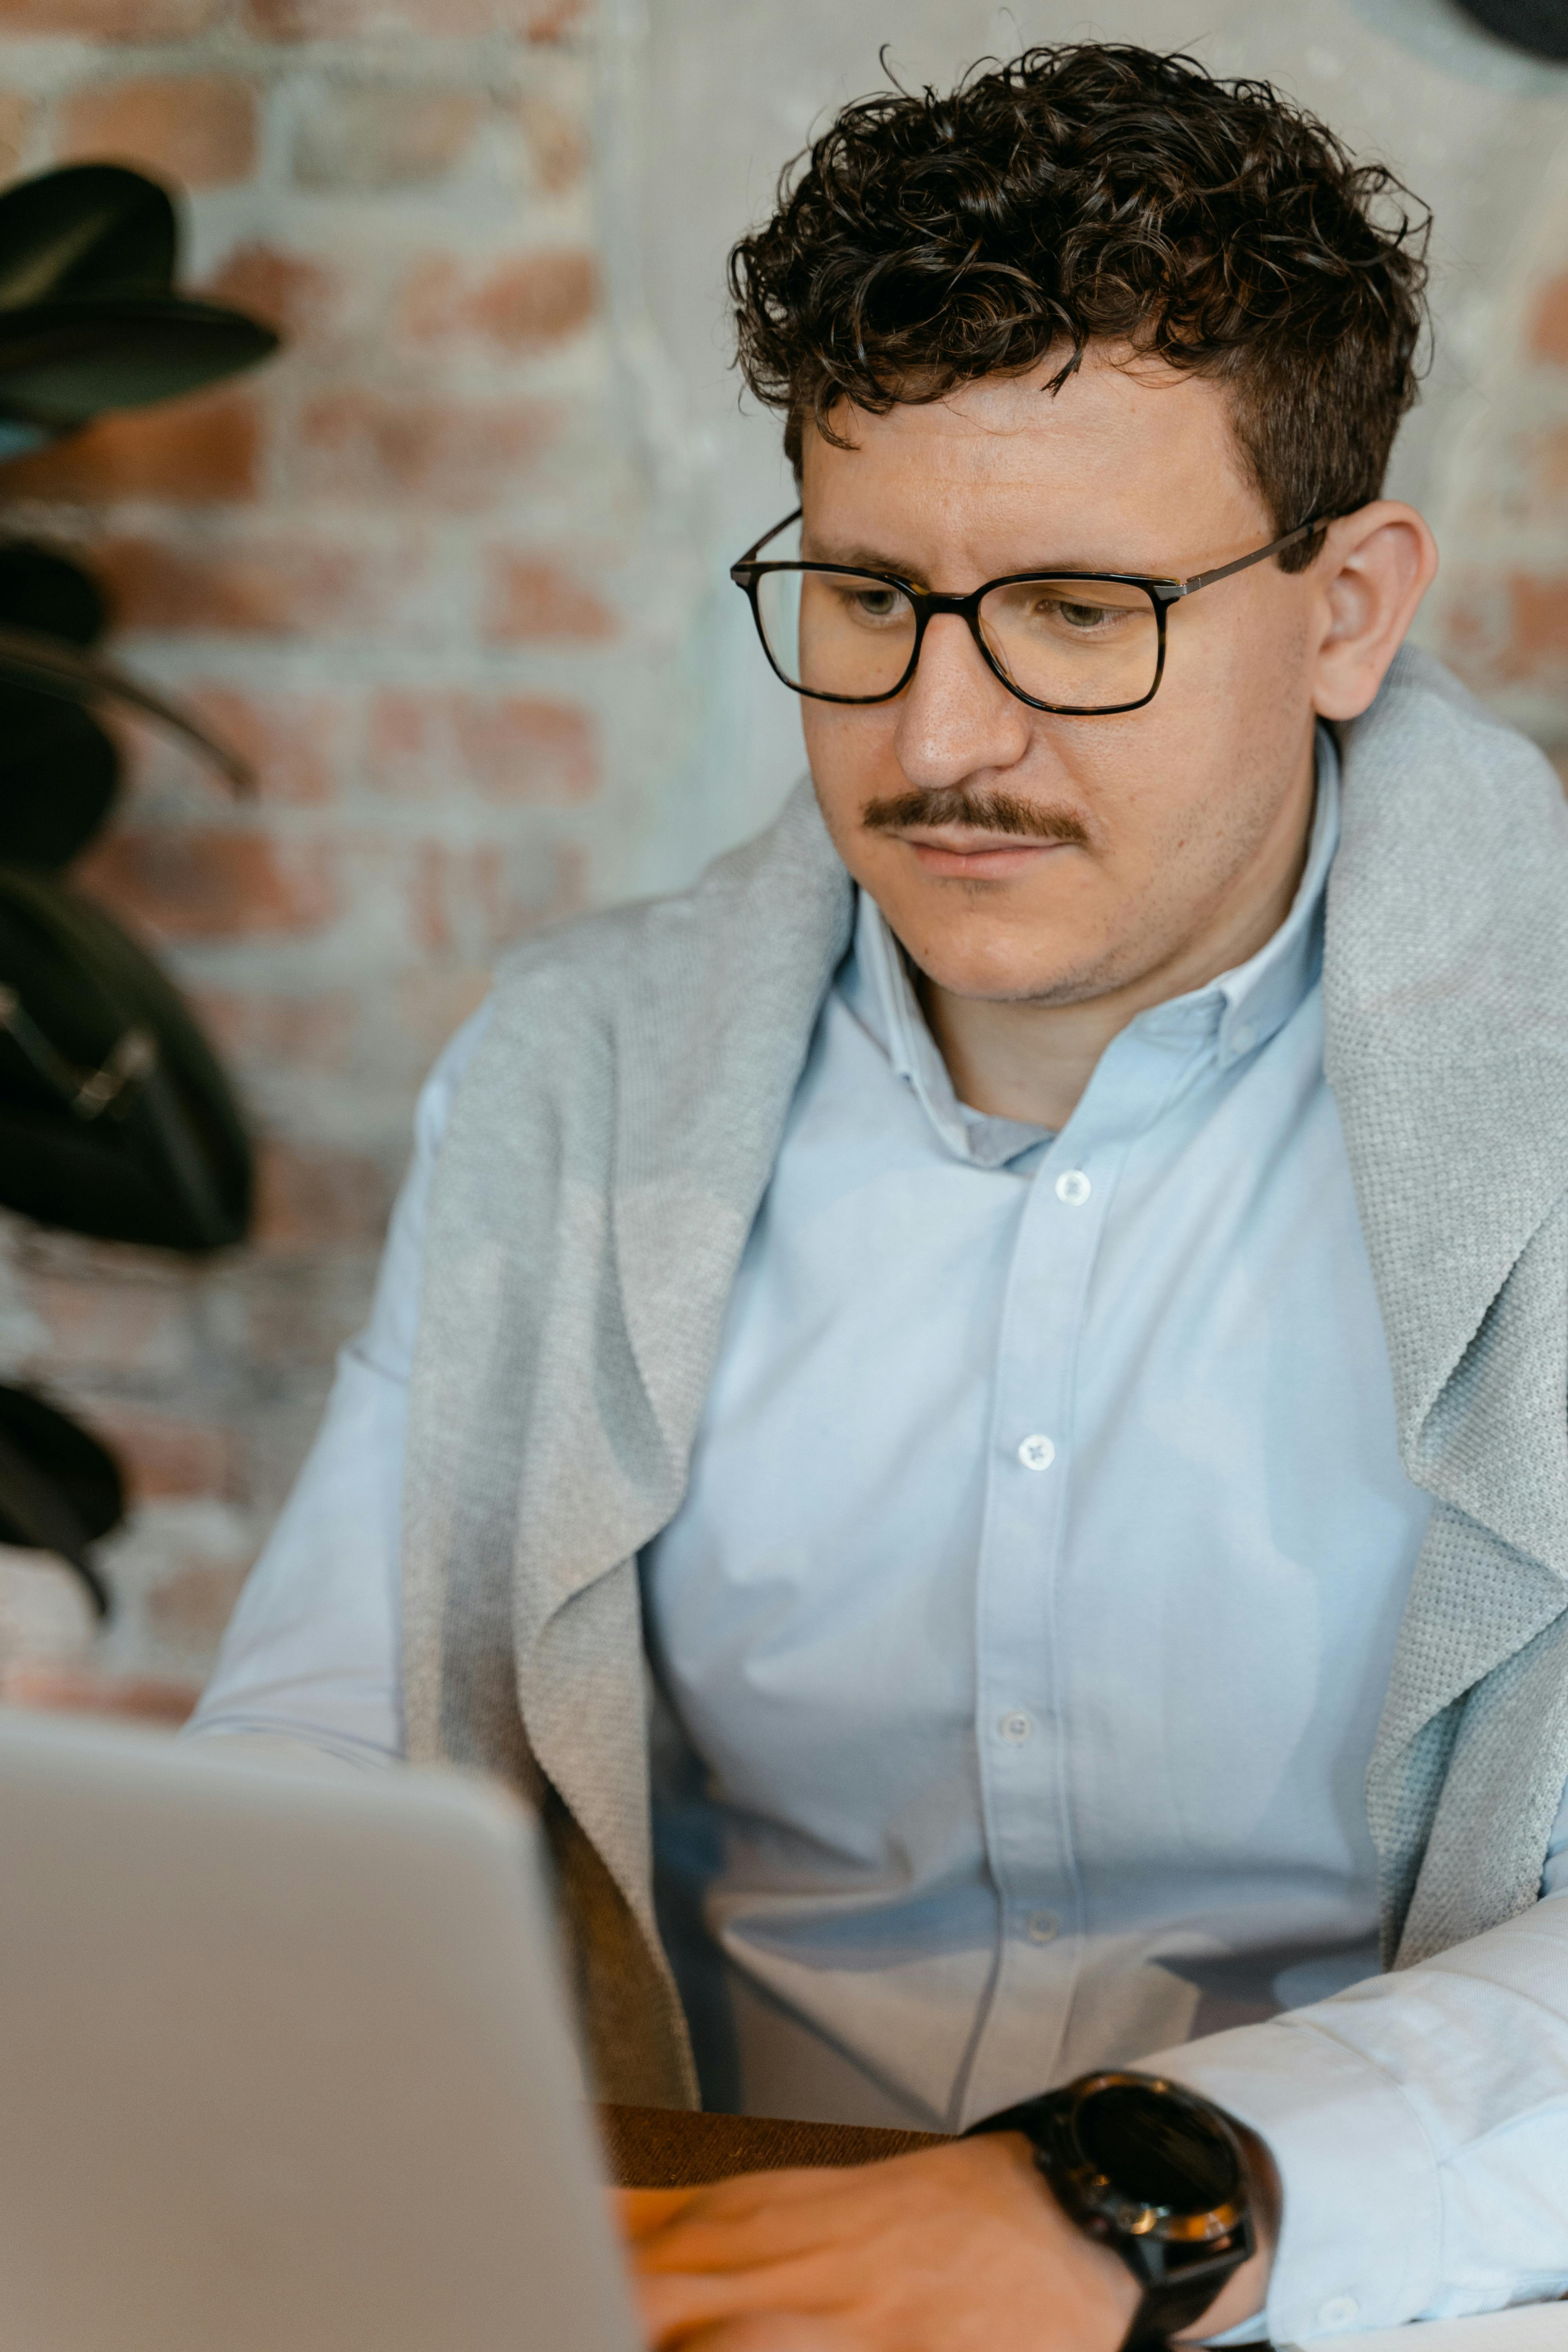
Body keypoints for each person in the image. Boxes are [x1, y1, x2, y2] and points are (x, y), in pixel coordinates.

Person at [191, 43, 1568, 2350]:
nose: (940, 741)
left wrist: (1125, 2209)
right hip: (703, 2271)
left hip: (1362, 2300)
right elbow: (324, 1781)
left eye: (1077, 612)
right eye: (867, 598)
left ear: (1348, 611)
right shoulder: (574, 1081)